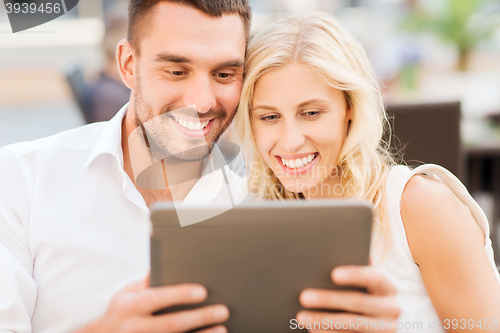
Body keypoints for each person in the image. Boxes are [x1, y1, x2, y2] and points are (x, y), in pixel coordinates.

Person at [0, 1, 399, 332]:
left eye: (224, 74)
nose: (203, 100)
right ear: (127, 65)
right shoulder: (21, 181)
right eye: (176, 71)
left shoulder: (276, 194)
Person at [234, 11, 500, 332]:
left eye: (312, 112)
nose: (290, 142)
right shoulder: (255, 219)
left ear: (350, 108)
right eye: (269, 117)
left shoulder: (418, 207)